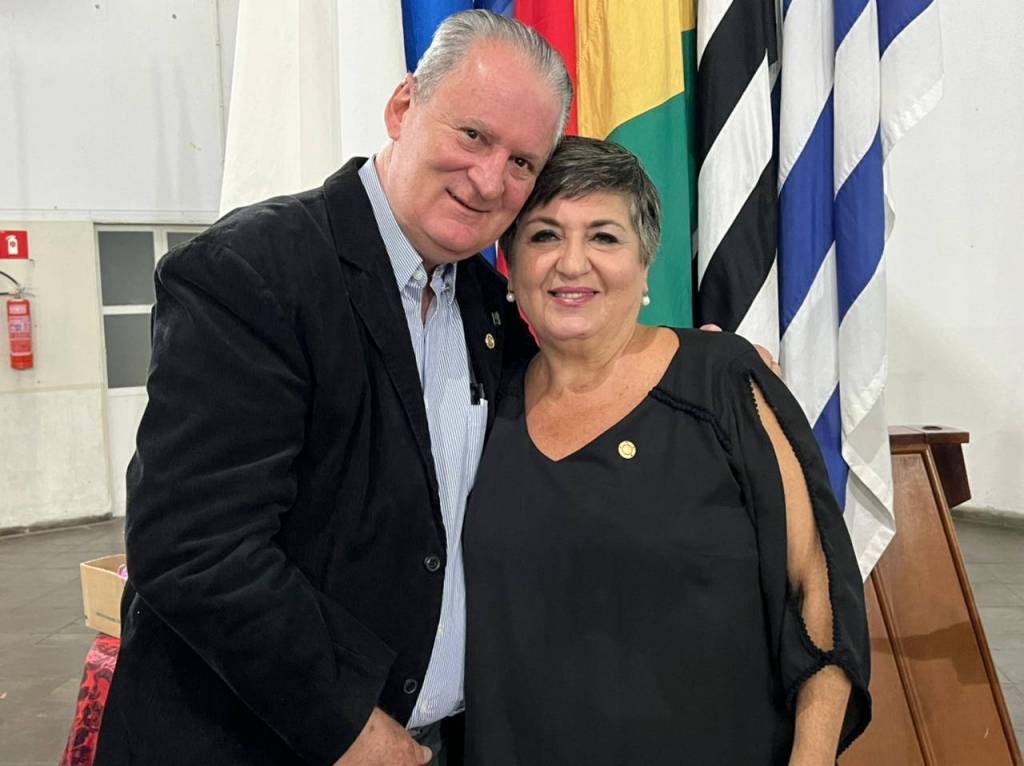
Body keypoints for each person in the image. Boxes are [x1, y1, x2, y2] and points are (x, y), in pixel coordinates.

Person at [94, 11, 569, 766]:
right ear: (403, 107)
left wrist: (685, 363)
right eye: (473, 135)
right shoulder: (251, 270)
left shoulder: (487, 307)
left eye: (522, 162)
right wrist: (351, 725)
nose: (489, 181)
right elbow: (194, 546)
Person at [463, 136, 872, 765]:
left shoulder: (722, 378)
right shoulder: (483, 403)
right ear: (510, 267)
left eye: (604, 237)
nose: (572, 263)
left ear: (645, 265)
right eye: (544, 235)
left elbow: (816, 580)